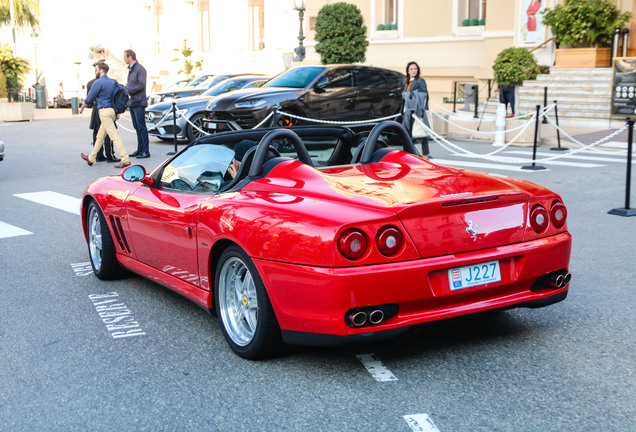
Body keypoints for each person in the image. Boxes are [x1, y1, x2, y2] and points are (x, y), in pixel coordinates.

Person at [79, 62, 130, 168]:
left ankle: (125, 159)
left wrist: (82, 107)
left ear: (101, 70)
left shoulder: (98, 83)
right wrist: (117, 112)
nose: (95, 71)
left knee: (114, 136)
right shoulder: (113, 82)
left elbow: (89, 98)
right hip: (112, 111)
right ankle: (91, 158)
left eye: (96, 69)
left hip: (104, 111)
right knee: (100, 136)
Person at [86, 60, 119, 163]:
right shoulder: (111, 82)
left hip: (97, 109)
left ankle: (98, 155)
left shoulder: (91, 83)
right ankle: (110, 155)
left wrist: (84, 105)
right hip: (107, 108)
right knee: (108, 133)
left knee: (98, 133)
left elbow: (89, 99)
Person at [123, 49, 150, 159]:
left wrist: (128, 89)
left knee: (141, 126)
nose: (123, 58)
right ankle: (140, 149)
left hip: (139, 101)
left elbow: (141, 85)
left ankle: (145, 150)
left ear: (130, 57)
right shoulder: (131, 69)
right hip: (133, 102)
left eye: (124, 56)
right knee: (136, 126)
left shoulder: (140, 69)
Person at [402, 61, 431, 157]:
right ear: (408, 71)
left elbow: (424, 94)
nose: (413, 71)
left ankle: (425, 155)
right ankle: (410, 154)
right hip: (408, 111)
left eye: (415, 69)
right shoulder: (407, 82)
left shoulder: (420, 81)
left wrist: (412, 94)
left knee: (421, 132)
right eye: (411, 69)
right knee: (408, 133)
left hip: (417, 110)